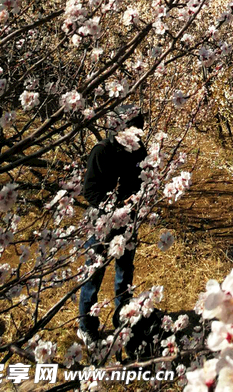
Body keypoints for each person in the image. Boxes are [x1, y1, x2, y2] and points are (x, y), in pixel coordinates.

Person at [78, 105, 147, 346]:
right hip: (101, 222)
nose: (139, 134)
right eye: (135, 128)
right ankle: (86, 326)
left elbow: (143, 179)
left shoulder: (138, 150)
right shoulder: (102, 151)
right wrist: (115, 205)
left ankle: (124, 319)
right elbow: (90, 190)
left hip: (129, 220)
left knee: (125, 272)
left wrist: (138, 201)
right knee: (94, 273)